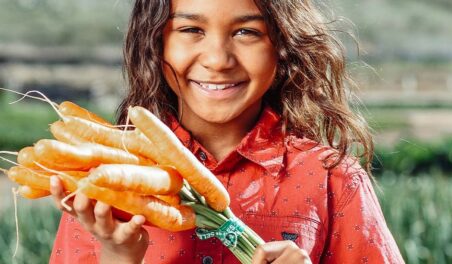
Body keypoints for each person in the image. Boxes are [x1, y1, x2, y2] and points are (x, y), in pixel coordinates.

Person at [49, 0, 405, 263]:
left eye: (247, 32)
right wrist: (117, 256)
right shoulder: (107, 180)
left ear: (282, 47)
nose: (218, 59)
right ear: (156, 44)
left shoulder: (332, 179)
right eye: (191, 30)